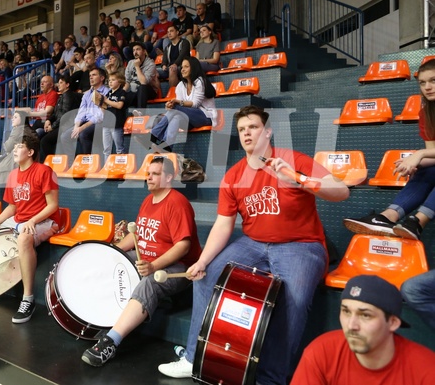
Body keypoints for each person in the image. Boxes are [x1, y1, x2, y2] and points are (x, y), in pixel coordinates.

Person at [158, 105, 350, 383]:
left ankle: (271, 377)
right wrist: (201, 261)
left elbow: (341, 191)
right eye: (242, 129)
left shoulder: (293, 160)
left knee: (294, 297)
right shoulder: (234, 176)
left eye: (253, 127)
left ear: (268, 131)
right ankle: (192, 357)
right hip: (254, 243)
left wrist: (297, 180)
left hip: (301, 245)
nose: (247, 133)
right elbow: (224, 224)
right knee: (205, 275)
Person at [82, 156, 202, 366]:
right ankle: (106, 320)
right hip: (146, 259)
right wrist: (114, 251)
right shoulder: (148, 201)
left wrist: (154, 266)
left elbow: (183, 247)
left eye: (155, 174)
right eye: (148, 173)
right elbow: (137, 235)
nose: (149, 178)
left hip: (178, 269)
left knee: (150, 282)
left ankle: (111, 342)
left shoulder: (177, 203)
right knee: (114, 265)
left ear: (169, 177)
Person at [343, 59, 435, 240]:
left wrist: (419, 154)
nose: (428, 87)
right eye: (423, 83)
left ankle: (418, 221)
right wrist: (413, 163)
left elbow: (428, 152)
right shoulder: (426, 113)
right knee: (425, 169)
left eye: (433, 81)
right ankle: (387, 217)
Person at [290, 275, 435, 384]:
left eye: (365, 315)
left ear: (393, 323)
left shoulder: (426, 369)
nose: (352, 325)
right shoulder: (321, 352)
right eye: (346, 312)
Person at [0, 132, 59, 323]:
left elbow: (53, 205)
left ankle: (28, 299)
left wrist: (32, 221)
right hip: (19, 219)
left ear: (31, 152)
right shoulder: (13, 175)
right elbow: (12, 207)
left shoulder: (44, 171)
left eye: (20, 147)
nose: (15, 150)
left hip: (44, 221)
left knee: (24, 238)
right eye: (15, 147)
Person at [150, 57, 217, 150]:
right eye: (182, 67)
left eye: (186, 67)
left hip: (205, 117)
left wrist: (176, 103)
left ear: (193, 68)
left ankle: (153, 135)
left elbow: (195, 104)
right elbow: (178, 107)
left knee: (176, 109)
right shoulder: (180, 85)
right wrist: (171, 105)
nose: (182, 69)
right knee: (177, 117)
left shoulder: (200, 81)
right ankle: (166, 146)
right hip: (189, 119)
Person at [60, 67, 109, 156]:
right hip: (86, 123)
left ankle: (88, 163)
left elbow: (100, 116)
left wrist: (82, 128)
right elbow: (81, 112)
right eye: (90, 75)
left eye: (94, 75)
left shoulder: (106, 92)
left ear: (102, 78)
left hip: (100, 123)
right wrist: (76, 126)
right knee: (65, 136)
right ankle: (73, 163)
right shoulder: (86, 94)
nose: (90, 77)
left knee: (83, 134)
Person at [40, 75, 82, 162]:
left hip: (67, 125)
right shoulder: (62, 96)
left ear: (67, 85)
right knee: (41, 135)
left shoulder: (68, 96)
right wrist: (48, 120)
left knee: (45, 140)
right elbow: (56, 113)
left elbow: (65, 116)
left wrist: (53, 127)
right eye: (58, 83)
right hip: (60, 124)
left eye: (61, 83)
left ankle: (51, 164)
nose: (58, 85)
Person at [96, 72, 127, 159]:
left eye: (113, 80)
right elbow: (104, 108)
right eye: (109, 80)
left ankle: (120, 168)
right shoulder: (108, 93)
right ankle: (107, 168)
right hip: (106, 124)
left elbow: (119, 105)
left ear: (120, 82)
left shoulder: (122, 92)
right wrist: (100, 104)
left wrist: (106, 100)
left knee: (119, 149)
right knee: (106, 150)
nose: (110, 82)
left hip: (116, 124)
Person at [124, 41, 160, 110]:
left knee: (142, 87)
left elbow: (144, 82)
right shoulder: (130, 63)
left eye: (138, 49)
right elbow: (127, 81)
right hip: (133, 91)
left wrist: (137, 67)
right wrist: (122, 95)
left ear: (144, 51)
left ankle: (141, 113)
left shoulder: (150, 64)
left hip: (148, 91)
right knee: (121, 98)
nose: (135, 52)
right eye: (134, 50)